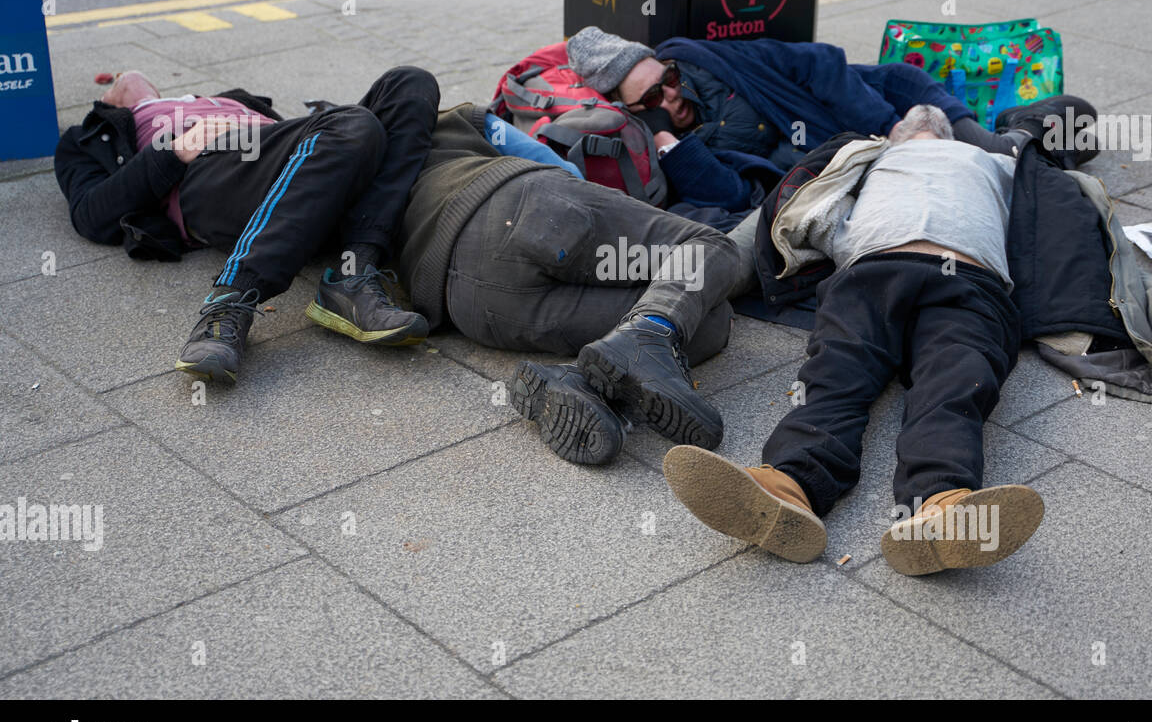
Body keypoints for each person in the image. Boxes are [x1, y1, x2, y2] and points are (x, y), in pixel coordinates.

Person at [662, 104, 1152, 576]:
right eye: (907, 120)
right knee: (834, 374)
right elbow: (760, 225)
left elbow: (1081, 244)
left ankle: (941, 506)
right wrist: (679, 295)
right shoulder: (861, 156)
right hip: (871, 273)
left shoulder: (1001, 163)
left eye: (931, 121)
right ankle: (787, 488)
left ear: (952, 134)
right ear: (893, 131)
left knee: (956, 384)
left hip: (972, 285)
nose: (919, 121)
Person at [397, 103, 746, 465]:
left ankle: (579, 378)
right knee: (708, 250)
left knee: (709, 322)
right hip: (524, 212)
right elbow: (545, 158)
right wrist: (595, 208)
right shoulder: (429, 120)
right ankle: (646, 334)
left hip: (469, 304)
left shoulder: (355, 195)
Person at [54, 66, 439, 384]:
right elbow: (90, 214)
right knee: (354, 124)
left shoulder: (230, 100)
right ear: (111, 103)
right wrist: (173, 150)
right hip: (208, 177)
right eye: (122, 83)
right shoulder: (92, 135)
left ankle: (353, 273)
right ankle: (230, 302)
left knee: (410, 83)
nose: (132, 78)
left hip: (294, 167)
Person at [563, 25, 1063, 229]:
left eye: (666, 79)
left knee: (999, 153)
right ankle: (1030, 139)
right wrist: (670, 141)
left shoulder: (701, 59)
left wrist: (886, 126)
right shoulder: (665, 145)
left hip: (876, 110)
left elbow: (816, 63)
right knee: (1002, 179)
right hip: (845, 167)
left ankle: (1017, 141)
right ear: (633, 110)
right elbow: (734, 194)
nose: (671, 94)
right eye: (652, 98)